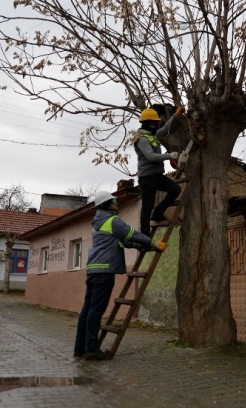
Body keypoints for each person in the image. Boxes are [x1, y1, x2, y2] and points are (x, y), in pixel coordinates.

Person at [74, 190, 167, 361]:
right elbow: (131, 233)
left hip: (94, 270)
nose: (117, 202)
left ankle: (80, 348)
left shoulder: (99, 223)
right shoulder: (112, 221)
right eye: (114, 200)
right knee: (96, 311)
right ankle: (92, 350)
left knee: (87, 310)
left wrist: (141, 246)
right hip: (104, 271)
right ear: (107, 204)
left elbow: (123, 241)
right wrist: (152, 242)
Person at [135, 108, 182, 236]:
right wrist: (170, 156)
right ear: (148, 123)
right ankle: (145, 236)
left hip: (157, 175)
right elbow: (150, 156)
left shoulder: (152, 135)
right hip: (147, 177)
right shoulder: (142, 139)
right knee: (147, 207)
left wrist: (176, 116)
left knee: (175, 189)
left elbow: (165, 129)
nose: (157, 125)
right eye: (154, 123)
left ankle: (158, 213)